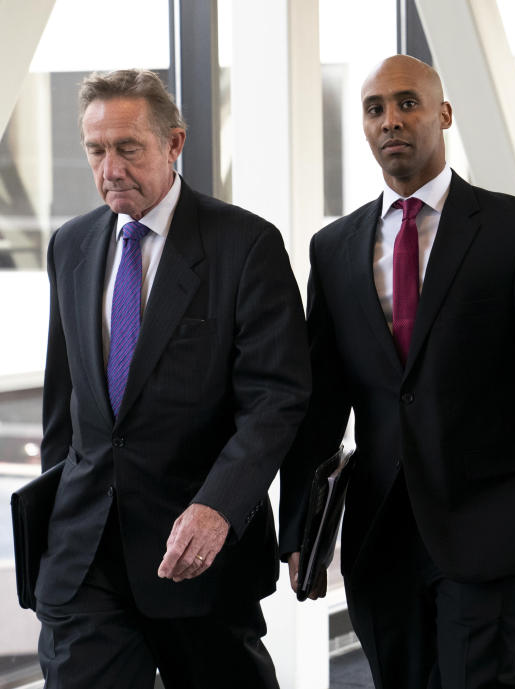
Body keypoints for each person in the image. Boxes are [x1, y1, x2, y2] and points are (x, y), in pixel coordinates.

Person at [279, 54, 515, 689]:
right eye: (375, 109)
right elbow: (320, 403)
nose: (391, 120)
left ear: (443, 115)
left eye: (407, 103)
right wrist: (302, 526)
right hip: (378, 530)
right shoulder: (335, 248)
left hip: (490, 522)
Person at [36, 69, 310, 689]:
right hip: (85, 559)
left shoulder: (245, 245)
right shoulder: (71, 245)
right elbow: (65, 403)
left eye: (128, 148)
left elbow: (277, 398)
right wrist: (52, 530)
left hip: (196, 554)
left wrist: (219, 506)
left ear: (174, 143)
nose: (110, 169)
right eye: (96, 150)